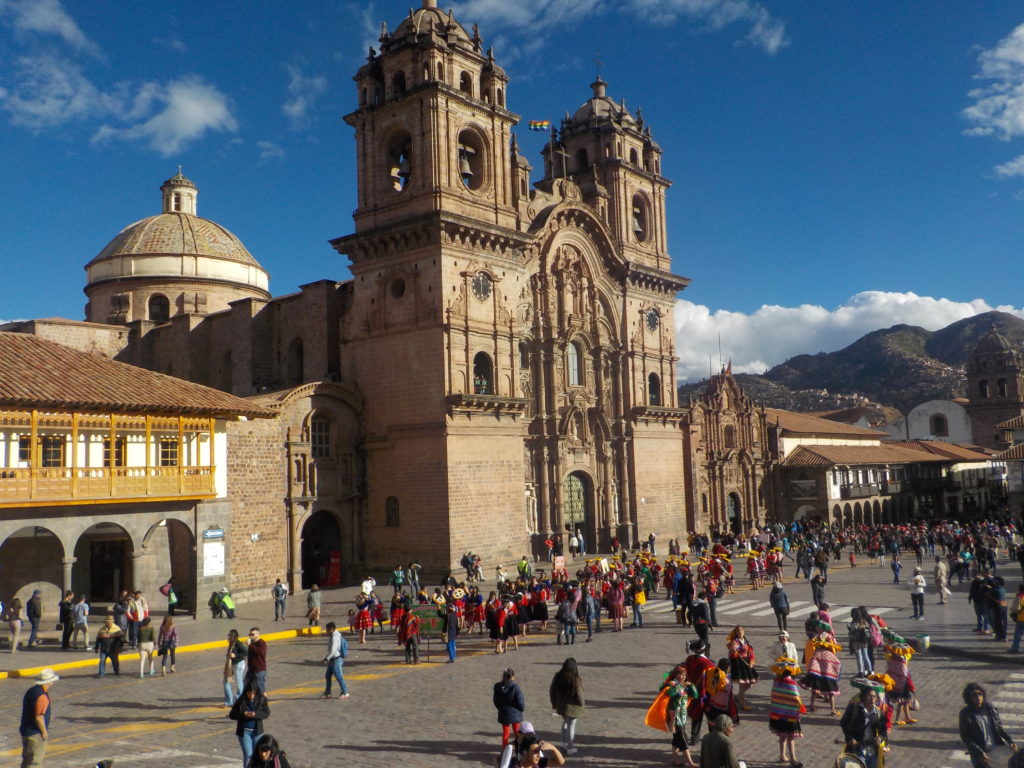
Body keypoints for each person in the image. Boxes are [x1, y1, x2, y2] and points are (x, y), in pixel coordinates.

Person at [959, 682, 1018, 768]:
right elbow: (966, 738)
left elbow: (999, 728)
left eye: (980, 694)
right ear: (969, 698)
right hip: (981, 754)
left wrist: (1010, 741)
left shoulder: (990, 709)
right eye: (974, 695)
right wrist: (979, 752)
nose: (978, 697)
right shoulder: (965, 714)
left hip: (996, 750)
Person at [660, 664, 699, 768]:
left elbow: (695, 695)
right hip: (675, 716)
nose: (683, 677)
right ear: (676, 675)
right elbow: (670, 693)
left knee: (676, 738)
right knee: (682, 738)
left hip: (682, 715)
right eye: (680, 674)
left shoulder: (685, 685)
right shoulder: (672, 684)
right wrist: (681, 685)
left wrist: (691, 686)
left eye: (684, 675)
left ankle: (675, 761)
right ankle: (690, 763)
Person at [768, 657, 804, 768]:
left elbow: (774, 696)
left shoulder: (776, 681)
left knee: (782, 735)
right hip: (790, 715)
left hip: (777, 713)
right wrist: (800, 708)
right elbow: (796, 698)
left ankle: (782, 755)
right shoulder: (791, 683)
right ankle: (793, 758)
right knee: (790, 737)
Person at [19, 668, 58, 768]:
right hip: (35, 733)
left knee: (27, 760)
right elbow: (39, 717)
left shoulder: (31, 691)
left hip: (26, 730)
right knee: (35, 762)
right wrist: (44, 732)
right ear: (48, 682)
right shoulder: (42, 696)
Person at [840, 688, 888, 768]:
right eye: (869, 696)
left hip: (872, 751)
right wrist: (849, 738)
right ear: (863, 697)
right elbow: (844, 723)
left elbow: (883, 730)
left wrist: (880, 737)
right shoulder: (854, 708)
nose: (872, 699)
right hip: (856, 749)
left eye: (874, 696)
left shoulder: (878, 712)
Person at [229, 682, 270, 768]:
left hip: (257, 732)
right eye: (249, 693)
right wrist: (243, 714)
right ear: (246, 692)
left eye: (253, 693)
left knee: (258, 755)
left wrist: (255, 714)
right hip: (244, 732)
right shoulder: (241, 700)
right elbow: (232, 714)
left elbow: (266, 713)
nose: (251, 696)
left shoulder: (261, 699)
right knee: (248, 755)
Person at [549, 657, 585, 755]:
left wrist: (554, 703)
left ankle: (562, 742)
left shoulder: (558, 676)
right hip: (573, 708)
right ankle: (570, 746)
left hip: (561, 706)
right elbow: (579, 695)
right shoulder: (575, 679)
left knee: (565, 723)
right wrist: (582, 704)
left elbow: (552, 690)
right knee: (571, 726)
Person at [726, 626, 758, 711]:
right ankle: (743, 704)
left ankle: (738, 697)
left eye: (741, 630)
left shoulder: (746, 641)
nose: (740, 632)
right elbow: (732, 652)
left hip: (747, 663)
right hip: (739, 663)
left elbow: (750, 651)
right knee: (742, 685)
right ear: (736, 633)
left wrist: (752, 660)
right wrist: (733, 650)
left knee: (749, 683)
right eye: (738, 631)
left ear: (744, 632)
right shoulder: (734, 641)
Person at [494, 668, 526, 746]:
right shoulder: (516, 688)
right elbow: (520, 701)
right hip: (515, 713)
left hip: (504, 713)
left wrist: (500, 708)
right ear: (512, 677)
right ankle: (519, 747)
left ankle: (504, 748)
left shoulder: (497, 687)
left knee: (506, 732)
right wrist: (521, 709)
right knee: (517, 732)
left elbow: (495, 700)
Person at [321, 621, 350, 699]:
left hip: (336, 659)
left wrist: (327, 658)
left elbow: (333, 650)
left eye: (327, 629)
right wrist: (327, 657)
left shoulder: (335, 637)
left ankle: (345, 692)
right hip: (332, 659)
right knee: (328, 676)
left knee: (339, 676)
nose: (326, 631)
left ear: (331, 629)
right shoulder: (332, 636)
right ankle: (328, 693)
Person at [224, 628, 248, 704]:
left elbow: (246, 652)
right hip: (231, 664)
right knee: (225, 681)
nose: (228, 637)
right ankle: (229, 700)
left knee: (239, 682)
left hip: (238, 664)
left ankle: (239, 698)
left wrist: (236, 655)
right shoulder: (231, 643)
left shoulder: (238, 643)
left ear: (233, 636)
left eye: (229, 635)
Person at [246, 628, 268, 694]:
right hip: (251, 669)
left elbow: (260, 652)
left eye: (252, 634)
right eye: (249, 634)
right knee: (247, 685)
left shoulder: (262, 642)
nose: (250, 636)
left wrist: (250, 645)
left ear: (258, 634)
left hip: (259, 669)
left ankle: (264, 702)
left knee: (260, 687)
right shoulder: (252, 643)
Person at [1010, 582, 1024, 653]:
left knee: (1018, 634)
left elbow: (1014, 609)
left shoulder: (1019, 597)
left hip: (1021, 618)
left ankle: (1015, 648)